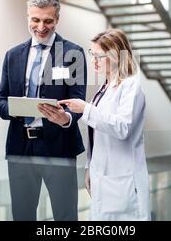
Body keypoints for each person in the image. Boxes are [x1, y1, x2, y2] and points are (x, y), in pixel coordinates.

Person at [0, 0, 87, 221]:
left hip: (59, 146)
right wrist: (15, 108)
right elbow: (0, 101)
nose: (41, 27)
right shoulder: (12, 55)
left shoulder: (72, 53)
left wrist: (65, 118)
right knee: (22, 215)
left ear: (57, 19)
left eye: (48, 21)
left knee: (65, 216)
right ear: (28, 17)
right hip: (20, 147)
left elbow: (77, 99)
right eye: (35, 20)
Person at [59, 28, 150, 221]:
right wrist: (88, 168)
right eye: (92, 54)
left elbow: (122, 127)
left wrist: (86, 109)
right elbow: (96, 134)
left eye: (98, 56)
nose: (93, 61)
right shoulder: (104, 88)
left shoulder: (131, 86)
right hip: (101, 177)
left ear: (116, 56)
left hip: (123, 181)